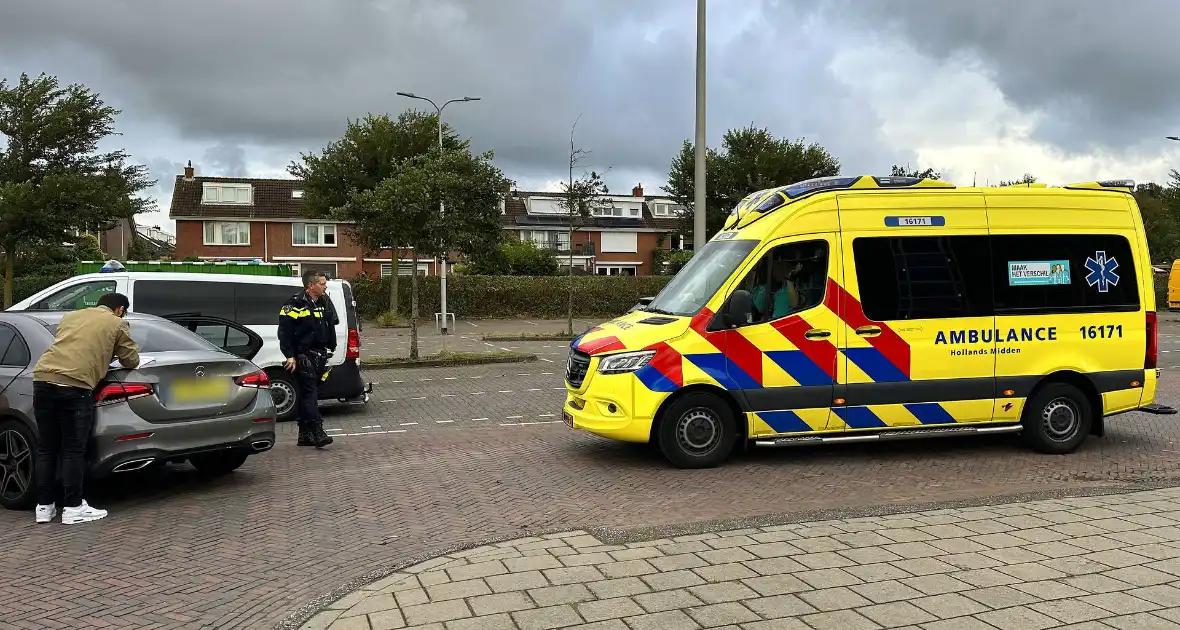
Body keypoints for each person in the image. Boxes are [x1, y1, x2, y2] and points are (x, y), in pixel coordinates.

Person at [32, 292, 140, 525]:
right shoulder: (117, 322)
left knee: (46, 448)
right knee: (72, 449)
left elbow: (72, 346)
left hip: (43, 379)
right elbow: (131, 360)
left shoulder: (71, 316)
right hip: (75, 384)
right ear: (120, 309)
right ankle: (72, 508)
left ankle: (44, 506)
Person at [278, 271, 337, 448]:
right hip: (303, 356)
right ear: (311, 286)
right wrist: (290, 355)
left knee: (307, 395)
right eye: (322, 283)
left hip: (319, 355)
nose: (325, 286)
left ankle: (304, 434)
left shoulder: (324, 302)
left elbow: (330, 324)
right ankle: (317, 432)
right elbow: (284, 332)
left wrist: (330, 347)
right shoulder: (295, 304)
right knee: (311, 394)